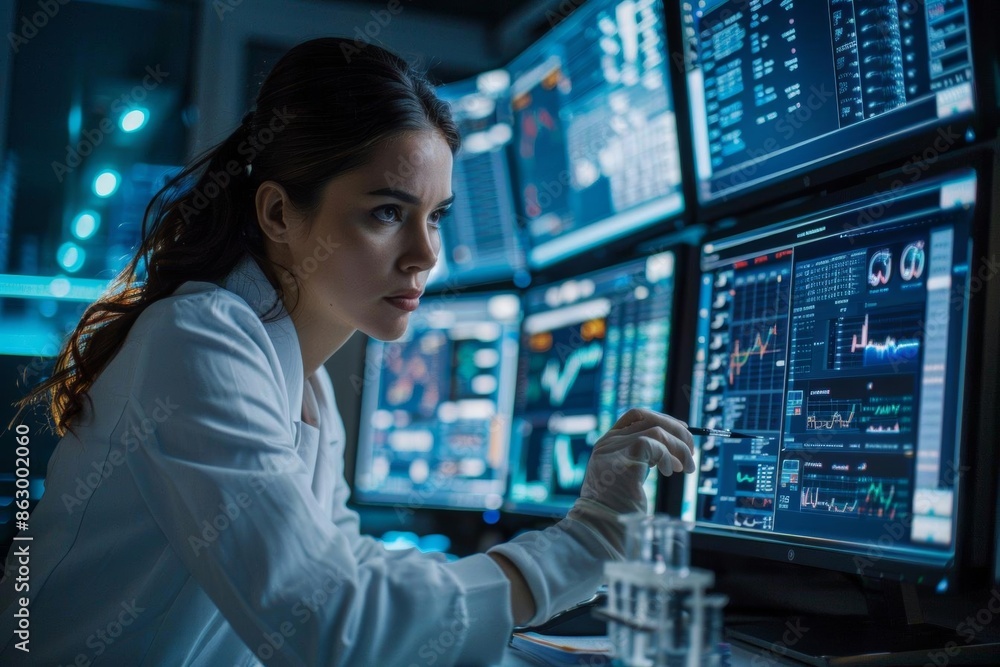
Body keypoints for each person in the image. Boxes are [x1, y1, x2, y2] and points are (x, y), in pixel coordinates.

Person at [0, 37, 695, 666]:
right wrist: (583, 545)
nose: (425, 254)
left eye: (436, 216)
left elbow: (342, 579)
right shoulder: (197, 338)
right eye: (387, 212)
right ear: (278, 213)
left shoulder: (308, 387)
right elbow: (332, 625)